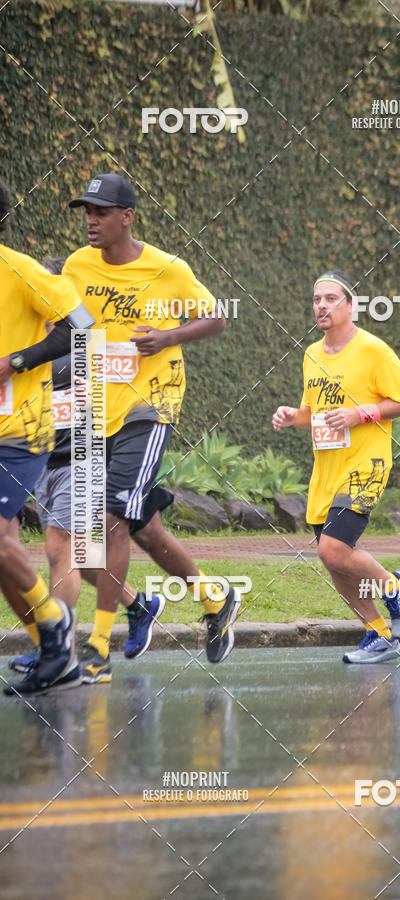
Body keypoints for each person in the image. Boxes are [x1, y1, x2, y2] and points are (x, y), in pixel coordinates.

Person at [63, 173, 241, 682]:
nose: (91, 221)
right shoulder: (77, 266)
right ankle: (207, 596)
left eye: (100, 211)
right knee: (131, 528)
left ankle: (98, 646)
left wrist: (168, 336)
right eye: (86, 212)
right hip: (96, 407)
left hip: (152, 403)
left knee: (115, 516)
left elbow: (217, 317)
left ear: (128, 217)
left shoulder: (167, 268)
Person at [9, 258, 163, 680]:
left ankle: (62, 654)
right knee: (77, 555)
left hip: (82, 459)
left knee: (60, 548)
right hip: (40, 459)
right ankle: (138, 603)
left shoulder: (85, 341)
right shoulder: (26, 337)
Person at [272, 270, 400, 663]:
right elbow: (315, 413)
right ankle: (379, 634)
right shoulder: (311, 354)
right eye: (316, 299)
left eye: (331, 298)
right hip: (327, 469)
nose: (321, 305)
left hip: (365, 464)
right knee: (333, 558)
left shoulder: (373, 350)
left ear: (350, 305)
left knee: (334, 549)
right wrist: (293, 417)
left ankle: (396, 589)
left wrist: (362, 413)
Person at [0, 176, 95, 696]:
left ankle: (57, 629)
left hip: (22, 432)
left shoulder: (21, 270)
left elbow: (80, 323)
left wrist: (16, 362)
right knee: (5, 551)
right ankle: (55, 656)